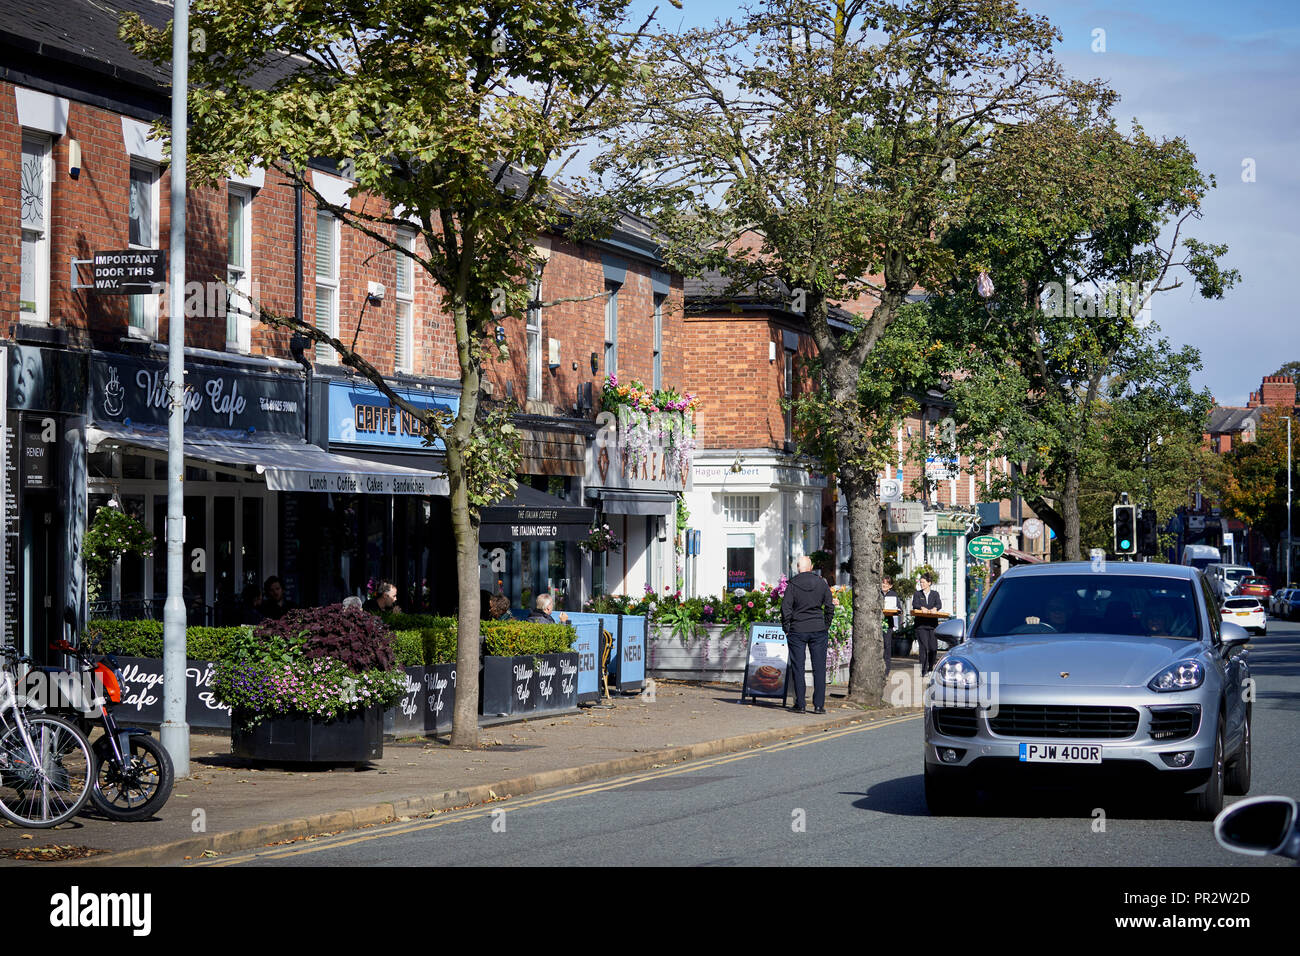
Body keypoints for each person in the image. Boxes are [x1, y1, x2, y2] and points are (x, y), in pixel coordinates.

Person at [781, 555, 835, 714]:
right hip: (818, 629)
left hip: (797, 629)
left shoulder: (792, 584)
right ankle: (819, 705)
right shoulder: (821, 583)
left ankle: (801, 704)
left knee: (798, 667)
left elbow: (786, 608)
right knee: (819, 668)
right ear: (811, 568)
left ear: (798, 568)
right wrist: (826, 624)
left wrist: (787, 627)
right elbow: (829, 606)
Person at [912, 572, 942, 678]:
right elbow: (914, 604)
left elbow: (939, 604)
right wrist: (921, 608)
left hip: (932, 625)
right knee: (923, 648)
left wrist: (935, 608)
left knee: (933, 648)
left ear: (929, 583)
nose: (921, 584)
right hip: (921, 625)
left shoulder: (935, 594)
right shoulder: (917, 594)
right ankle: (923, 670)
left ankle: (930, 668)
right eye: (920, 582)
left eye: (923, 582)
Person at [881, 575, 900, 674]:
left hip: (888, 623)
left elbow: (899, 609)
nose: (884, 585)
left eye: (886, 583)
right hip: (877, 624)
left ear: (890, 585)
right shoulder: (876, 593)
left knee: (887, 646)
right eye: (883, 583)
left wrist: (896, 610)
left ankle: (886, 670)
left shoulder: (893, 594)